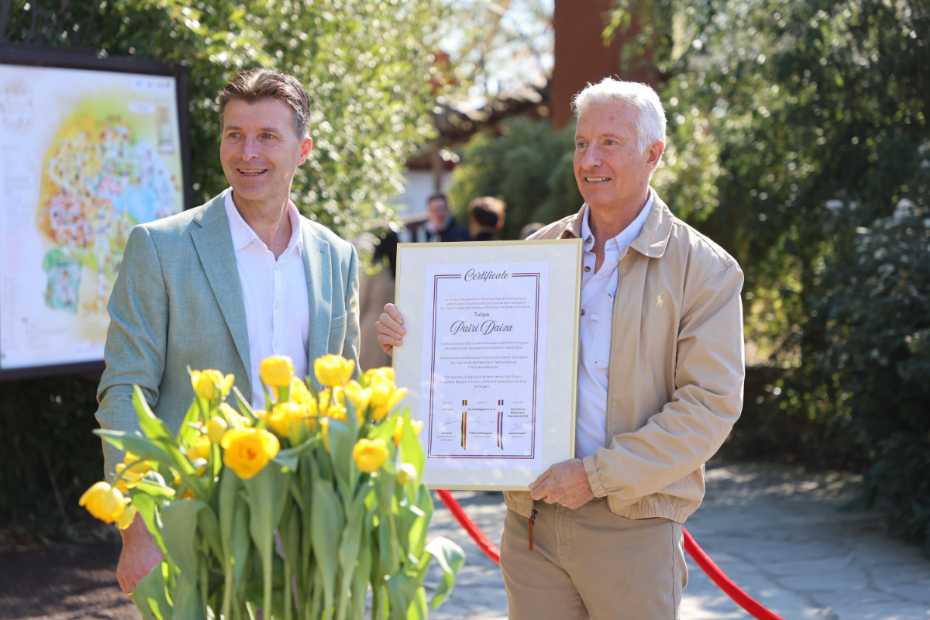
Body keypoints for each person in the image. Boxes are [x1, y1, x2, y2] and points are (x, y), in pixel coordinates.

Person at [375, 77, 744, 619]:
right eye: (581, 142)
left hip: (633, 527)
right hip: (532, 526)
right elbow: (480, 357)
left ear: (654, 153)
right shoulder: (537, 251)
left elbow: (709, 407)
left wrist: (595, 476)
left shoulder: (704, 269)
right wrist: (415, 340)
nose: (589, 159)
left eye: (610, 143)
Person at [96, 68, 360, 597]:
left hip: (307, 524)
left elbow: (345, 391)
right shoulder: (160, 247)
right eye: (234, 134)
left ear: (303, 150)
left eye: (267, 136)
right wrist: (136, 528)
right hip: (192, 520)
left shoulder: (337, 255)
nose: (247, 152)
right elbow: (126, 391)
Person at [358, 230, 397, 370]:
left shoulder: (375, 267)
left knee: (368, 372)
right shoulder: (400, 268)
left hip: (373, 326)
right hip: (394, 328)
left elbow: (362, 299)